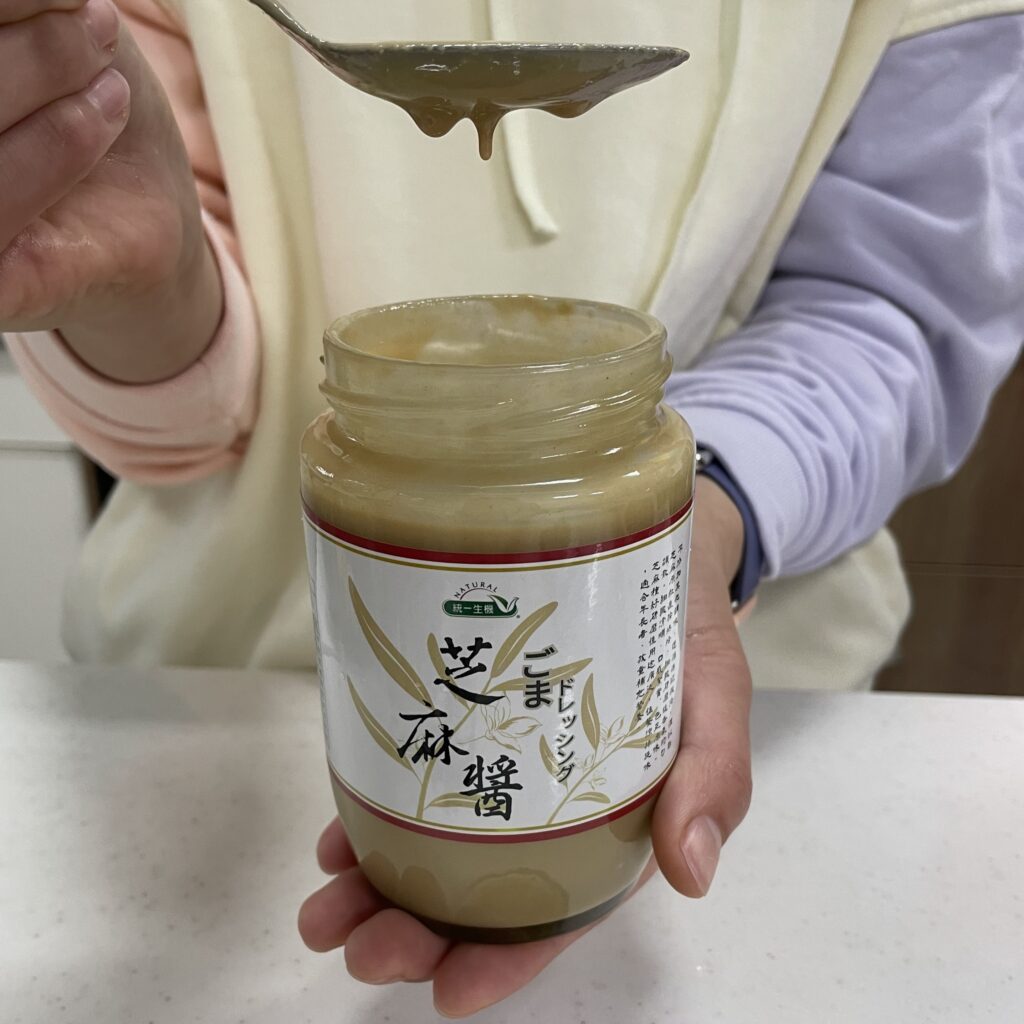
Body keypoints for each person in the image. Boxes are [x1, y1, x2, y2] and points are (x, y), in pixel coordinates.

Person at [3, 0, 1023, 1015]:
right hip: (194, 720)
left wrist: (699, 518)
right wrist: (149, 275)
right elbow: (180, 358)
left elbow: (895, 297)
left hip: (799, 730)